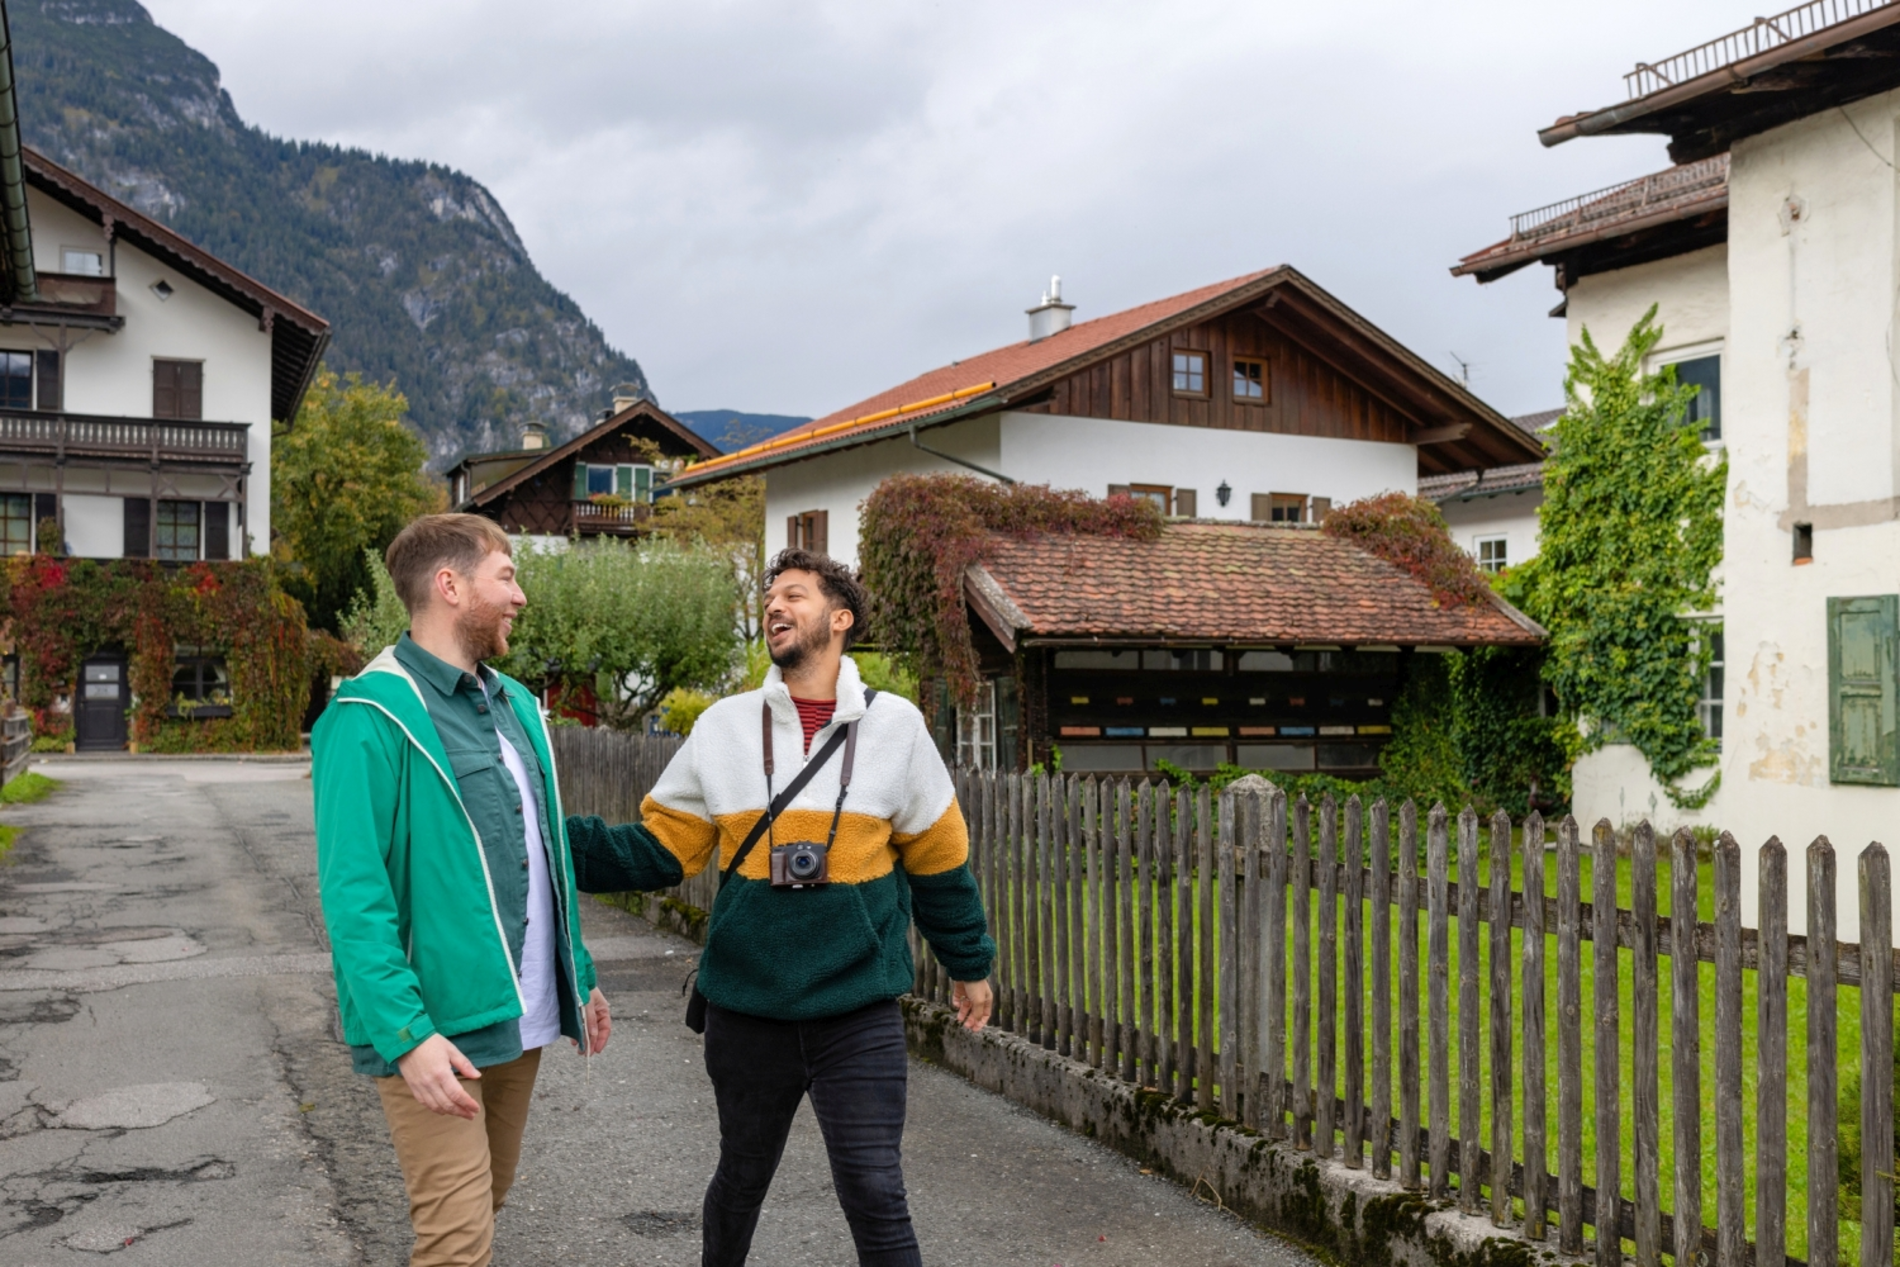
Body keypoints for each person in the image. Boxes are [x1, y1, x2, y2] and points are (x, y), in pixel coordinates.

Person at [566, 548, 995, 1267]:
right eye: (770, 598)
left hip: (857, 1006)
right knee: (741, 1179)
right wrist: (546, 839)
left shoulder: (897, 727)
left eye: (794, 595)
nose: (774, 606)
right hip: (747, 1006)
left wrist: (969, 963)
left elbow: (939, 860)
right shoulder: (724, 726)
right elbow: (662, 849)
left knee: (876, 1190)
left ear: (840, 617)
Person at [312, 513, 611, 1267]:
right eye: (505, 576)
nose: (520, 596)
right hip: (435, 1023)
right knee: (457, 1241)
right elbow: (354, 896)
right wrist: (406, 1036)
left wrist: (579, 972)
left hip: (521, 1012)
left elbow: (541, 851)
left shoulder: (516, 705)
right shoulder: (368, 715)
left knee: (489, 1197)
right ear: (449, 585)